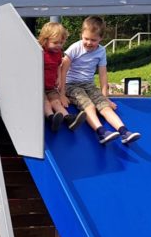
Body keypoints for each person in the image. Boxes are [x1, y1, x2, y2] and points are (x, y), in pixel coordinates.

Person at [63, 16, 141, 145]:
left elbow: (103, 74)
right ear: (81, 34)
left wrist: (105, 97)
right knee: (88, 104)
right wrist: (61, 94)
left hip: (88, 84)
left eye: (93, 40)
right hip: (71, 84)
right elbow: (63, 70)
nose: (89, 42)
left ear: (101, 38)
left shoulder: (101, 51)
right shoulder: (75, 48)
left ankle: (124, 132)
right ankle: (101, 132)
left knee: (104, 106)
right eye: (86, 38)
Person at [37, 22, 83, 133]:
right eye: (55, 43)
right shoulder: (40, 52)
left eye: (61, 43)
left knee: (56, 101)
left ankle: (68, 118)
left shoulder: (58, 53)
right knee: (45, 102)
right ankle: (51, 118)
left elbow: (58, 65)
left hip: (51, 86)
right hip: (39, 86)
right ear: (45, 40)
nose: (59, 45)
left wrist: (58, 78)